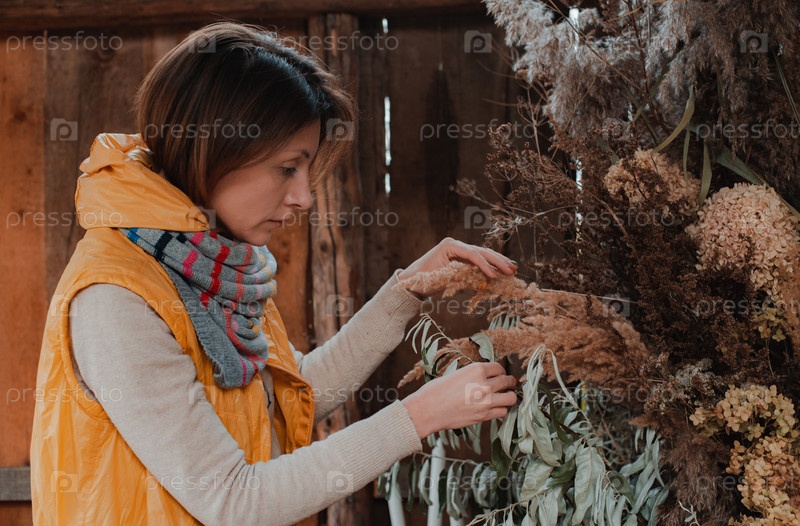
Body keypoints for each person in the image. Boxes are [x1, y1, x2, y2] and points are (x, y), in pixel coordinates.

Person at [30, 22, 518, 525]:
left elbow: (288, 395)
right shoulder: (116, 297)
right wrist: (420, 416)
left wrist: (408, 291)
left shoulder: (212, 265)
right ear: (214, 148)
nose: (304, 196)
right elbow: (233, 501)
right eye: (288, 167)